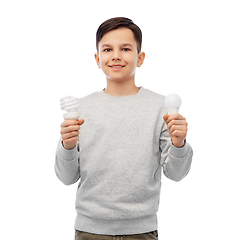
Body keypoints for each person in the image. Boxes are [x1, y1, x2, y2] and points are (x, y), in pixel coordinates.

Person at [55, 17, 193, 240]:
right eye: (107, 49)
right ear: (97, 58)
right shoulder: (80, 109)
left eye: (125, 48)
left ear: (140, 58)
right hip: (90, 231)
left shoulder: (162, 108)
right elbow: (66, 177)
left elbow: (176, 174)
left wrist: (179, 144)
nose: (116, 55)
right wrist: (67, 147)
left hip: (142, 231)